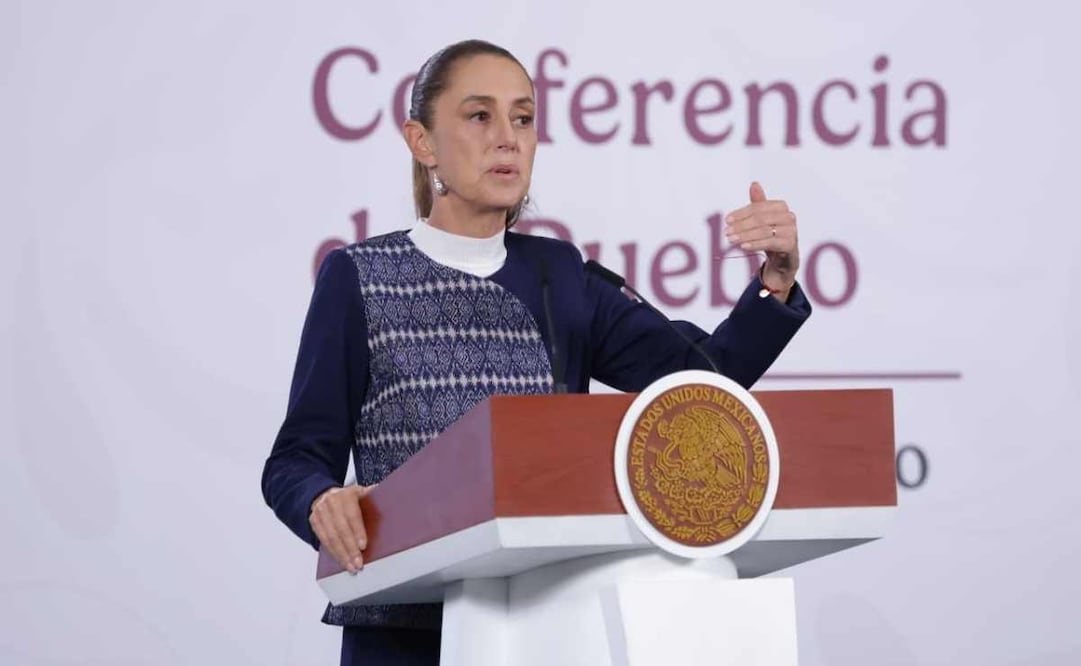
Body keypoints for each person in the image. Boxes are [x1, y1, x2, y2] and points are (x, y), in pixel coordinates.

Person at [262, 39, 811, 666]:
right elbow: (296, 458)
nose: (508, 138)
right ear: (422, 142)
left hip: (545, 630)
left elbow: (702, 384)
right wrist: (320, 500)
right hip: (406, 638)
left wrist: (776, 282)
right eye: (479, 116)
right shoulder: (358, 276)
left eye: (523, 119)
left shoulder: (560, 275)